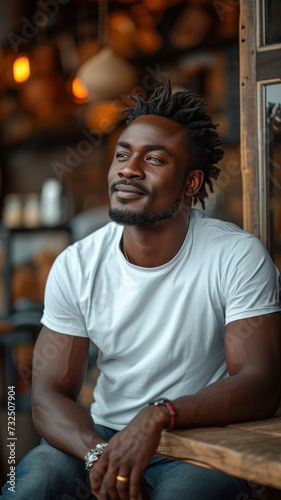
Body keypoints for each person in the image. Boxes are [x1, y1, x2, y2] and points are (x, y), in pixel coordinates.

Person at [2, 81, 281, 500]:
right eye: (122, 154)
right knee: (35, 483)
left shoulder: (236, 256)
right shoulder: (77, 264)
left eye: (153, 159)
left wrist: (159, 416)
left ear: (192, 183)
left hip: (198, 443)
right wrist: (97, 453)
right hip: (101, 436)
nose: (129, 169)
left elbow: (261, 384)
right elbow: (47, 394)